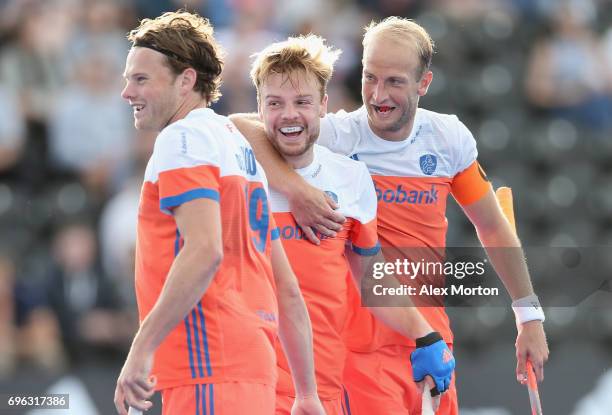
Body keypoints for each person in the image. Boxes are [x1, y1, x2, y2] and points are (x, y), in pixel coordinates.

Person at [231, 17, 549, 415]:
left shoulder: (447, 139)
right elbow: (243, 125)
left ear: (424, 84)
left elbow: (491, 225)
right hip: (364, 348)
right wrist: (297, 191)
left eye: (395, 81)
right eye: (370, 77)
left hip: (431, 337)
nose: (378, 94)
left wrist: (528, 315)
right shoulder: (336, 136)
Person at [114, 11, 324, 415]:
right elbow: (287, 288)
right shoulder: (237, 146)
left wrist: (140, 349)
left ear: (186, 80)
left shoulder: (183, 137)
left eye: (140, 78)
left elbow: (204, 250)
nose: (127, 92)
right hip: (252, 368)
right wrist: (306, 392)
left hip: (208, 362)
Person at [249, 34, 455, 414]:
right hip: (253, 383)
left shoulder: (351, 178)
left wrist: (425, 335)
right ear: (258, 109)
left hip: (321, 386)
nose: (290, 114)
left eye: (303, 102)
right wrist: (295, 190)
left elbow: (370, 278)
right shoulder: (237, 175)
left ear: (324, 106)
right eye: (274, 103)